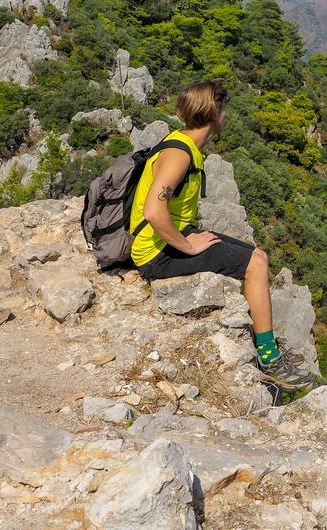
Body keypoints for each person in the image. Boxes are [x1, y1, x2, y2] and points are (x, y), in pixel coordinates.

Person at [129, 80, 313, 391]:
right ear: (214, 113)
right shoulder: (180, 156)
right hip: (155, 253)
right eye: (223, 109)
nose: (225, 116)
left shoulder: (182, 143)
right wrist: (187, 246)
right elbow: (153, 211)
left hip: (168, 238)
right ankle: (269, 358)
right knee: (255, 266)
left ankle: (264, 340)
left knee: (258, 256)